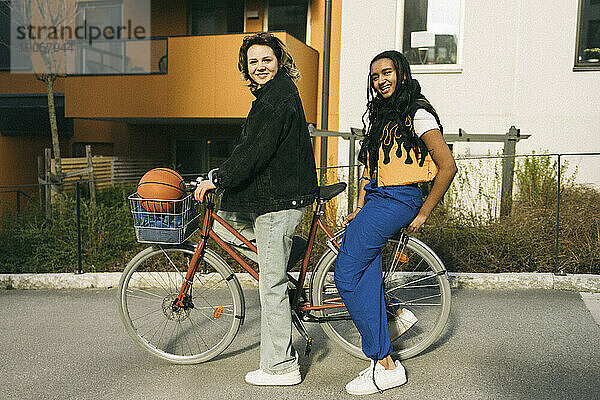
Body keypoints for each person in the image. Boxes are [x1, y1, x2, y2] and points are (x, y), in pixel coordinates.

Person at [194, 32, 317, 386]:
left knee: (271, 285)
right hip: (277, 197)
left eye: (266, 60)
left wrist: (219, 179)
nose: (260, 67)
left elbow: (254, 152)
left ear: (279, 62)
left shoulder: (274, 100)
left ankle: (280, 366)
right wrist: (222, 177)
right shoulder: (274, 95)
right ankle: (281, 255)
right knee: (224, 222)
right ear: (246, 69)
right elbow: (252, 149)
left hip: (278, 202)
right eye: (253, 62)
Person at [334, 50, 457, 395]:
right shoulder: (383, 114)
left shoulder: (417, 113)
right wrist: (360, 204)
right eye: (375, 76)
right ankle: (393, 318)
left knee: (345, 274)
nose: (381, 80)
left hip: (399, 200)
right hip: (377, 200)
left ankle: (385, 364)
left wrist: (423, 212)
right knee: (365, 270)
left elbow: (446, 166)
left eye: (387, 73)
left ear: (401, 73)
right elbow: (370, 167)